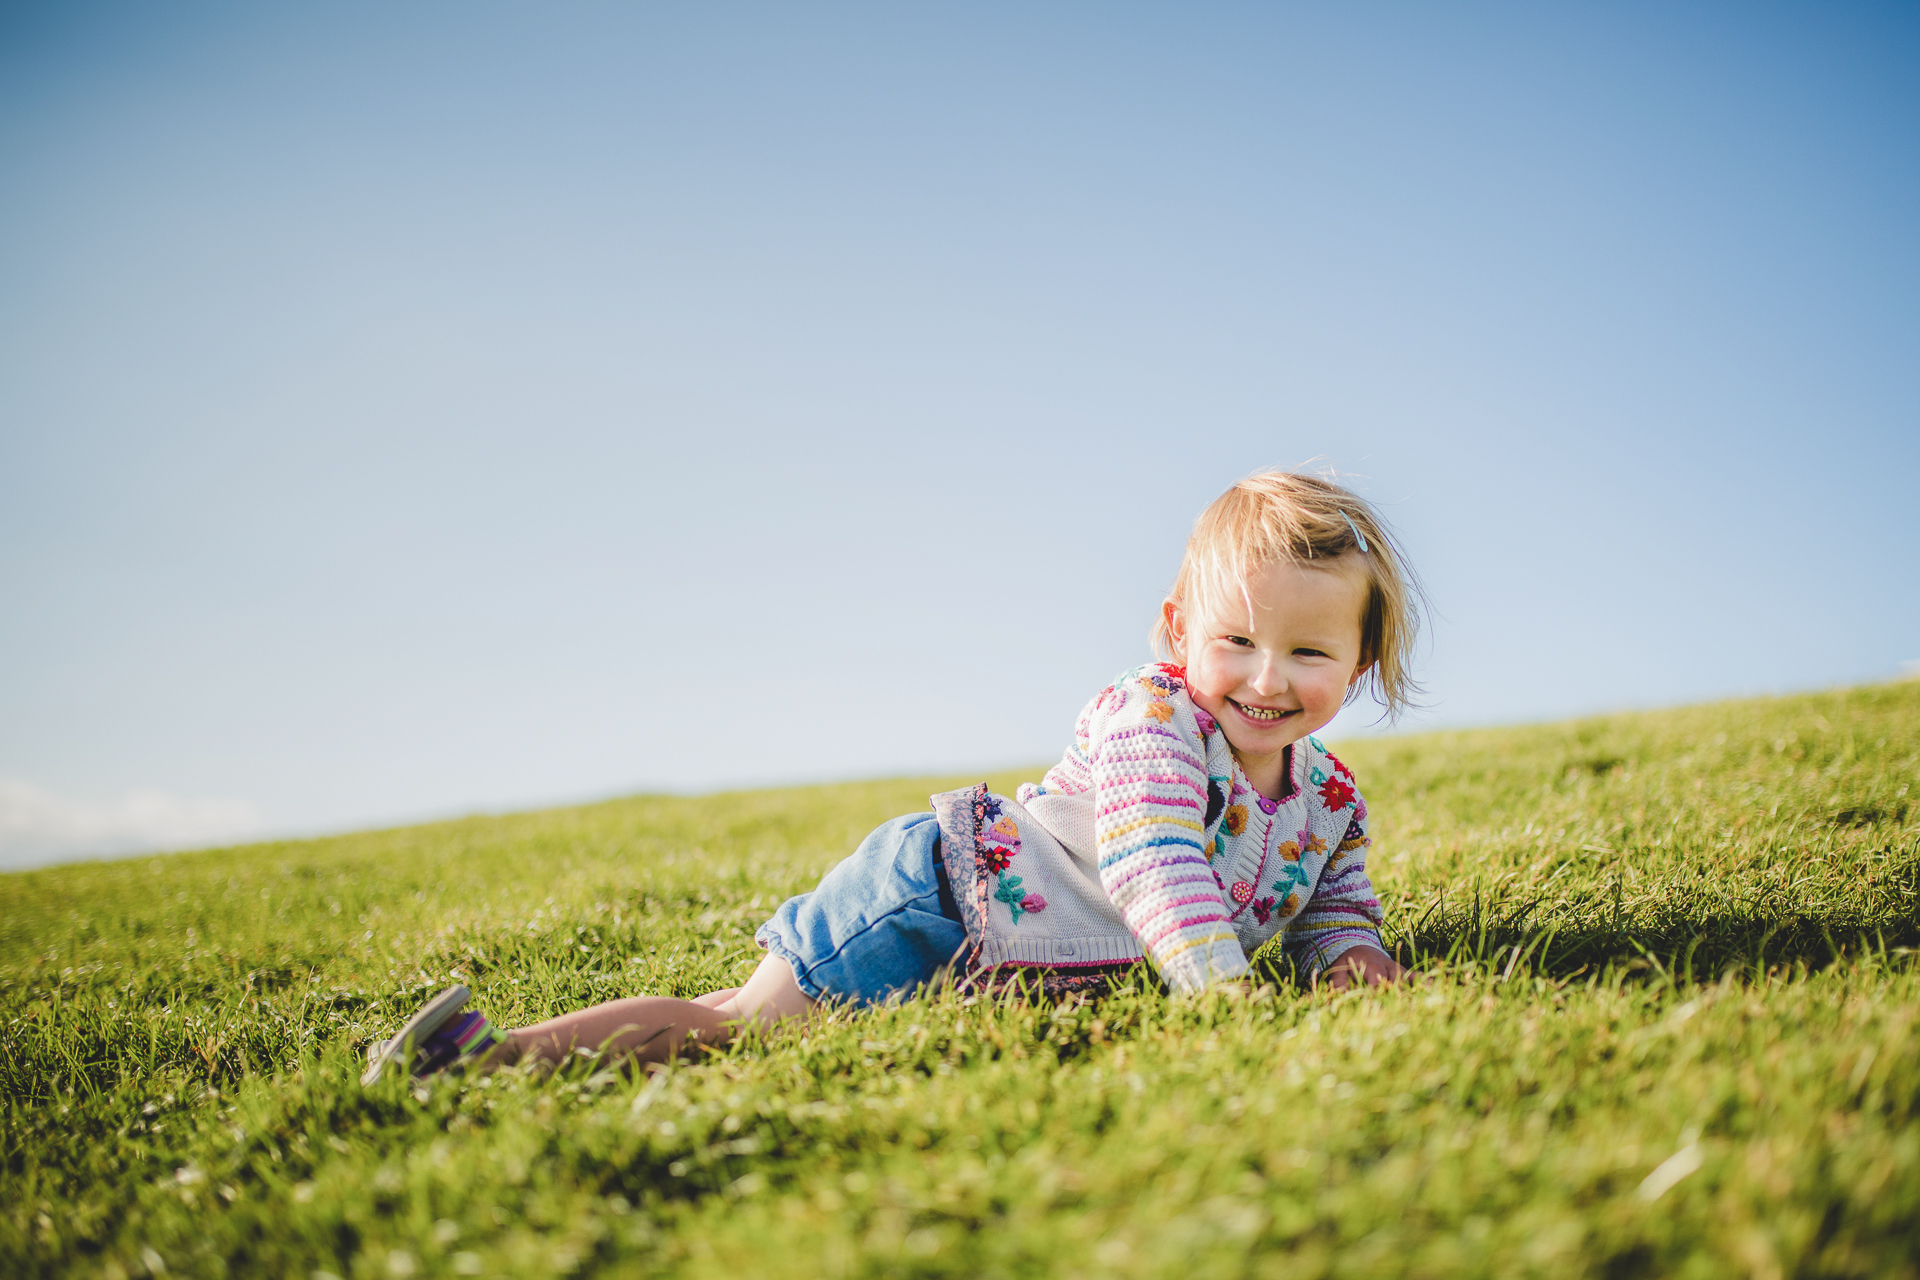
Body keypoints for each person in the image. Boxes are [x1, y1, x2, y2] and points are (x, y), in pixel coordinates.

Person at [361, 470, 1422, 1086]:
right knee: (740, 1024)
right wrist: (1225, 992)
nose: (1266, 679)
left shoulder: (1329, 799)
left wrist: (1352, 958)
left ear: (1361, 662)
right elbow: (1154, 858)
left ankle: (485, 1056)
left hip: (1002, 948)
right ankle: (477, 1060)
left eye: (1308, 653)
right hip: (934, 899)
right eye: (1236, 641)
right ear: (1179, 631)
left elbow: (1334, 902)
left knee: (734, 1025)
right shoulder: (1154, 716)